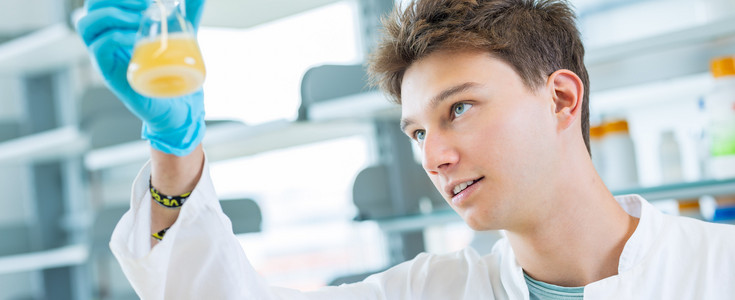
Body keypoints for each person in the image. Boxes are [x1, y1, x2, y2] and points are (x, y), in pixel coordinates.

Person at [77, 0, 735, 298]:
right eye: (417, 131)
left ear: (562, 98)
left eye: (460, 109)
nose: (433, 156)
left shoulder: (718, 271)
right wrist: (174, 145)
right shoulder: (430, 290)